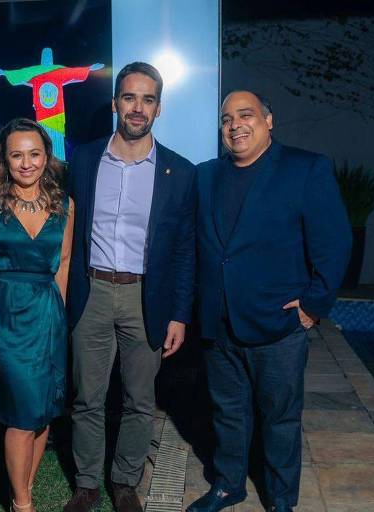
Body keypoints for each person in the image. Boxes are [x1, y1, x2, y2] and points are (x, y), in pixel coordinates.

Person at [186, 91, 352, 512]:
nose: (236, 125)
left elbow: (334, 243)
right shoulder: (205, 176)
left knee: (279, 419)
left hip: (278, 326)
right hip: (219, 322)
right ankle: (228, 485)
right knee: (227, 413)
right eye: (226, 119)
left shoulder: (305, 168)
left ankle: (280, 499)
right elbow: (200, 248)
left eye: (246, 115)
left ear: (269, 120)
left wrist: (313, 306)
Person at [64, 62, 196, 512]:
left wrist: (178, 314)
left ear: (158, 108)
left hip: (147, 298)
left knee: (141, 399)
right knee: (87, 397)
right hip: (92, 292)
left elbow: (183, 251)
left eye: (148, 99)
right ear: (116, 102)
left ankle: (124, 482)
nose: (137, 108)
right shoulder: (83, 160)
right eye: (129, 97)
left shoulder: (180, 172)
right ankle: (85, 484)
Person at [0, 118, 74, 512]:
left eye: (34, 154)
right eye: (17, 155)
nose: (27, 163)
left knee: (43, 409)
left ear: (47, 156)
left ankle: (25, 491)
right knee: (20, 414)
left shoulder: (65, 204)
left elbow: (63, 263)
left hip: (48, 315)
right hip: (6, 315)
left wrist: (60, 318)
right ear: (5, 159)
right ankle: (23, 505)